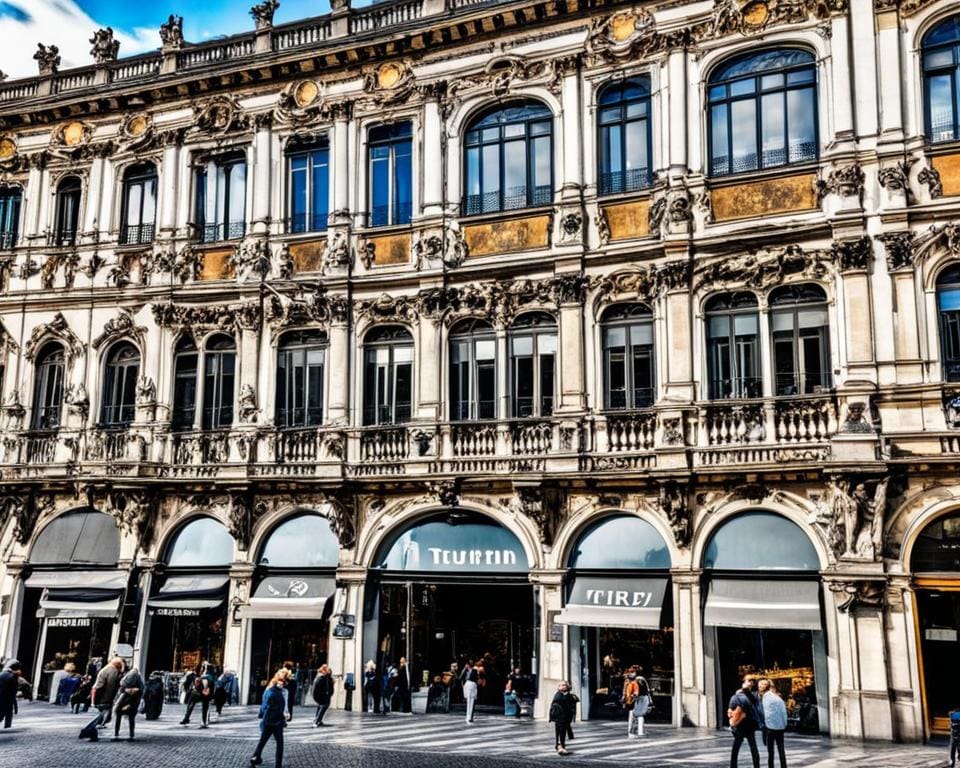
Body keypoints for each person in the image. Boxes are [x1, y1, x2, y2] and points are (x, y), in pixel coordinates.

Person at [79, 657, 124, 741]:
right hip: (105, 699)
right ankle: (87, 731)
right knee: (103, 717)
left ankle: (91, 733)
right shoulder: (111, 671)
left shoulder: (107, 670)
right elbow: (102, 687)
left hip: (103, 698)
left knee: (103, 716)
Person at [251, 672, 289, 768]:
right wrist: (284, 715)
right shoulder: (279, 693)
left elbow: (264, 706)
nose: (281, 684)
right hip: (276, 721)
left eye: (283, 683)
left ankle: (255, 758)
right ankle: (278, 764)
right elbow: (278, 708)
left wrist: (263, 717)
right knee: (279, 744)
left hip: (268, 720)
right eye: (281, 682)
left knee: (262, 741)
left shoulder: (269, 691)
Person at [728, 676, 762, 768]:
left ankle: (756, 766)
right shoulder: (737, 696)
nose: (750, 683)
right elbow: (730, 711)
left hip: (748, 726)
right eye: (748, 681)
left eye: (752, 682)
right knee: (738, 748)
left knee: (751, 748)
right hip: (741, 726)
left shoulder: (753, 696)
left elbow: (757, 706)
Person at [759, 678, 787, 768]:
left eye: (760, 686)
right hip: (780, 727)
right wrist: (784, 724)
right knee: (781, 749)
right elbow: (784, 712)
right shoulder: (778, 698)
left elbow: (765, 714)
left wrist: (763, 726)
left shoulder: (765, 699)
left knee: (770, 752)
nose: (759, 687)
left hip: (770, 727)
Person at [112, 667, 143, 741]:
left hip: (123, 703)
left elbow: (119, 693)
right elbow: (138, 696)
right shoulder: (138, 686)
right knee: (131, 719)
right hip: (129, 704)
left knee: (119, 717)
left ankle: (117, 733)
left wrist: (116, 701)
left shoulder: (124, 683)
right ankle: (131, 734)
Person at [181, 663, 214, 728]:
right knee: (191, 705)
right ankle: (186, 718)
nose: (202, 669)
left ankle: (204, 721)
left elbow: (211, 685)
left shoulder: (208, 676)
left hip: (203, 693)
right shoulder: (195, 675)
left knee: (205, 707)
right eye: (202, 667)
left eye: (203, 667)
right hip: (197, 692)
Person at [548, 680, 577, 756]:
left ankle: (558, 746)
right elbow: (554, 704)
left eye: (564, 685)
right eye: (560, 685)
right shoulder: (558, 695)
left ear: (567, 686)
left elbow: (572, 705)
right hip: (559, 716)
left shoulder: (569, 695)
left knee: (561, 731)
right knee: (561, 732)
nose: (562, 686)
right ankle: (561, 746)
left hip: (566, 717)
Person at [0, 660, 21, 729]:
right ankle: (7, 728)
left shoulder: (1, 674)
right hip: (7, 701)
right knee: (8, 714)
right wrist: (15, 706)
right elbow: (13, 693)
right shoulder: (13, 677)